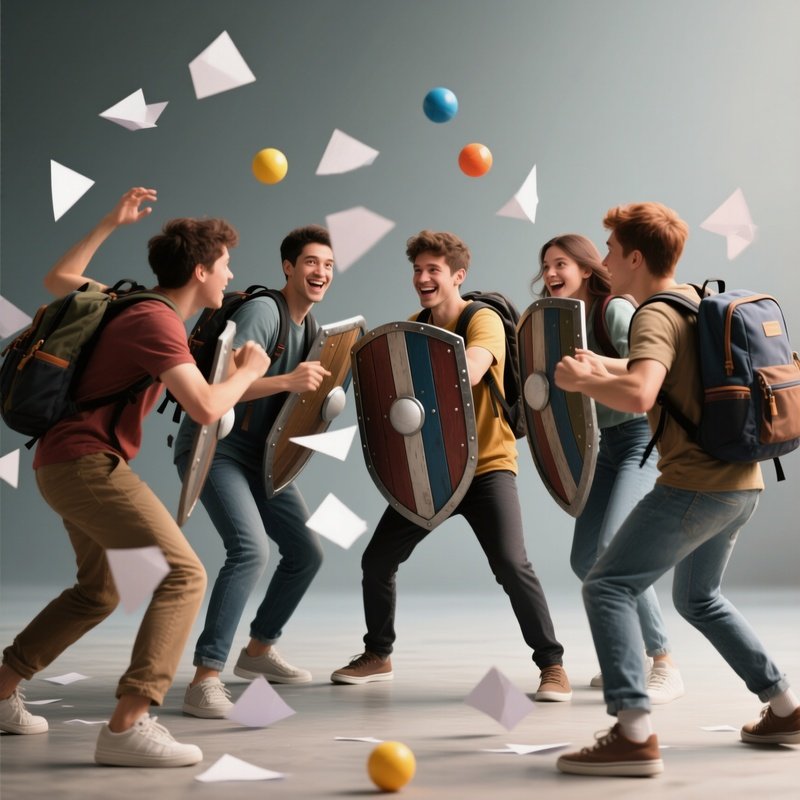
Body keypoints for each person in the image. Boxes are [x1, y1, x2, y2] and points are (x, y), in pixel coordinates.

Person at [0, 188, 270, 767]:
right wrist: (248, 372)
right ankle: (127, 726)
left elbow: (60, 276)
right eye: (224, 266)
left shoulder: (131, 304)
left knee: (99, 590)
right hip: (86, 463)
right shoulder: (156, 321)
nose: (230, 275)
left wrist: (109, 221)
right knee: (182, 575)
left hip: (63, 462)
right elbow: (203, 407)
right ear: (200, 271)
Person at [553, 203, 800, 777]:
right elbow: (669, 378)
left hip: (696, 486)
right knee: (699, 598)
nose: (604, 259)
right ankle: (786, 708)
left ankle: (632, 733)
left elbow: (642, 394)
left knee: (607, 584)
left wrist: (584, 379)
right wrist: (605, 364)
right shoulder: (690, 298)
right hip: (743, 483)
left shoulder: (648, 317)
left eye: (611, 250)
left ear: (634, 258)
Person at [331, 230, 571, 701]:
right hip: (431, 470)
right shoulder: (413, 324)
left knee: (510, 563)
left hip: (487, 467)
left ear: (457, 276)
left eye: (433, 270)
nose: (422, 278)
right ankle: (378, 654)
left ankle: (552, 665)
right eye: (417, 270)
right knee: (377, 560)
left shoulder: (482, 321)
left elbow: (474, 368)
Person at [174, 225, 333, 719]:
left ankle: (259, 652)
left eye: (327, 265)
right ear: (288, 267)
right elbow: (217, 386)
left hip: (263, 458)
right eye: (310, 262)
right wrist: (288, 379)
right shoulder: (264, 312)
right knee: (249, 550)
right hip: (218, 447)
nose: (320, 272)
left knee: (306, 552)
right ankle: (205, 677)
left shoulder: (312, 326)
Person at [533, 234, 683, 703]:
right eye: (546, 266)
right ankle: (633, 658)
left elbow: (645, 370)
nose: (552, 273)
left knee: (613, 547)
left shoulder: (612, 310)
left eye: (561, 263)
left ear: (585, 267)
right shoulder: (557, 323)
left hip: (639, 438)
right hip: (599, 447)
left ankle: (663, 661)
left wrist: (596, 369)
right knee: (585, 559)